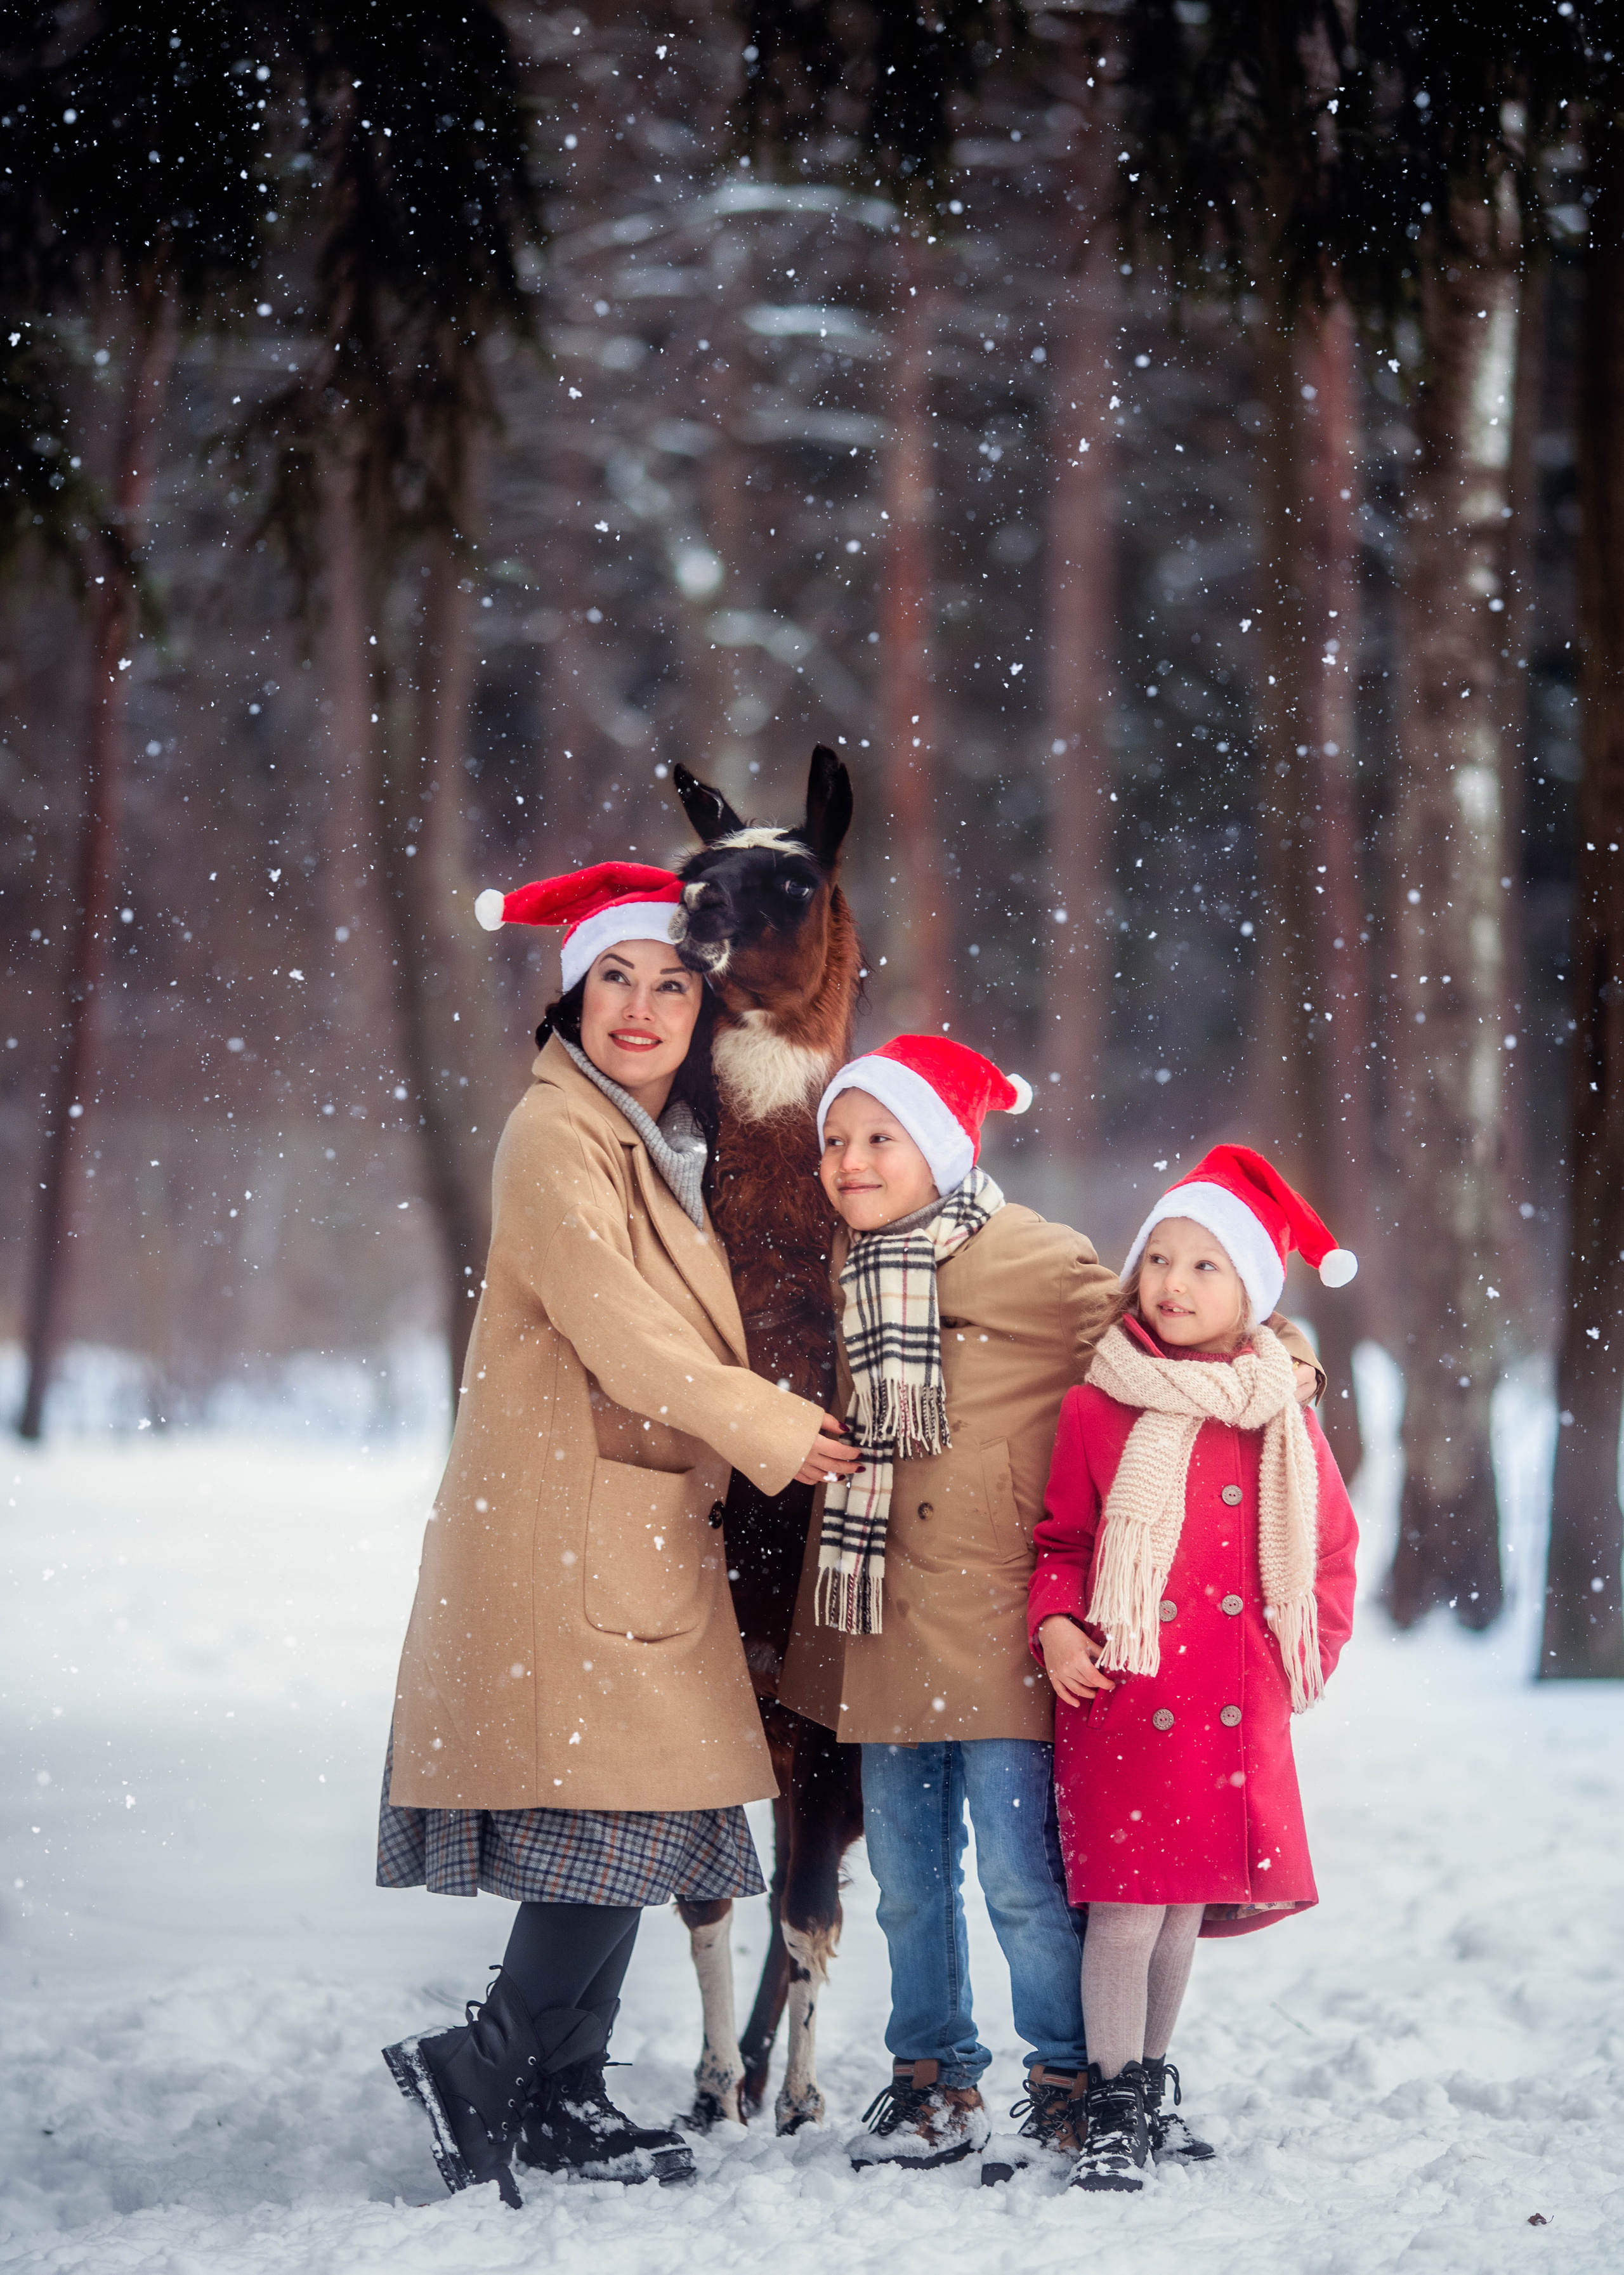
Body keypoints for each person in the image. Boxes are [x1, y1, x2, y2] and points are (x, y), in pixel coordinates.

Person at [376, 862, 859, 2207]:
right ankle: (481, 2064)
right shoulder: (555, 1137)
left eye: (670, 983)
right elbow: (623, 1329)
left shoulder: (653, 1138)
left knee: (636, 1823)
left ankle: (560, 2088)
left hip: (630, 1527)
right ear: (571, 994)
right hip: (564, 1532)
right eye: (614, 980)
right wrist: (768, 1423)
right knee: (605, 1822)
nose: (641, 1008)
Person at [777, 1042, 1323, 2175]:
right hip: (881, 1613)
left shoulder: (1026, 1253)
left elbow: (1159, 1335)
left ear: (938, 1146)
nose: (851, 1160)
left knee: (1027, 1878)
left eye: (881, 1137)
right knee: (909, 1884)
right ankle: (932, 2076)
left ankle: (1077, 2075)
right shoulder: (843, 1260)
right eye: (836, 1139)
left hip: (999, 1620)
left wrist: (1281, 1360)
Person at [1028, 1145, 1359, 2191]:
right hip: (1126, 1689)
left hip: (1231, 1696)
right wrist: (1056, 1628)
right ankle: (1111, 2100)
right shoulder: (1097, 1405)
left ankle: (1147, 2081)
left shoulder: (1283, 1418)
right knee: (1128, 1906)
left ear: (1252, 1289)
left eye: (1205, 1265)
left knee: (1183, 1907)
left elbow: (1329, 1553)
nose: (1173, 1281)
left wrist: (1296, 1655)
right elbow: (1063, 1545)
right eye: (1160, 1258)